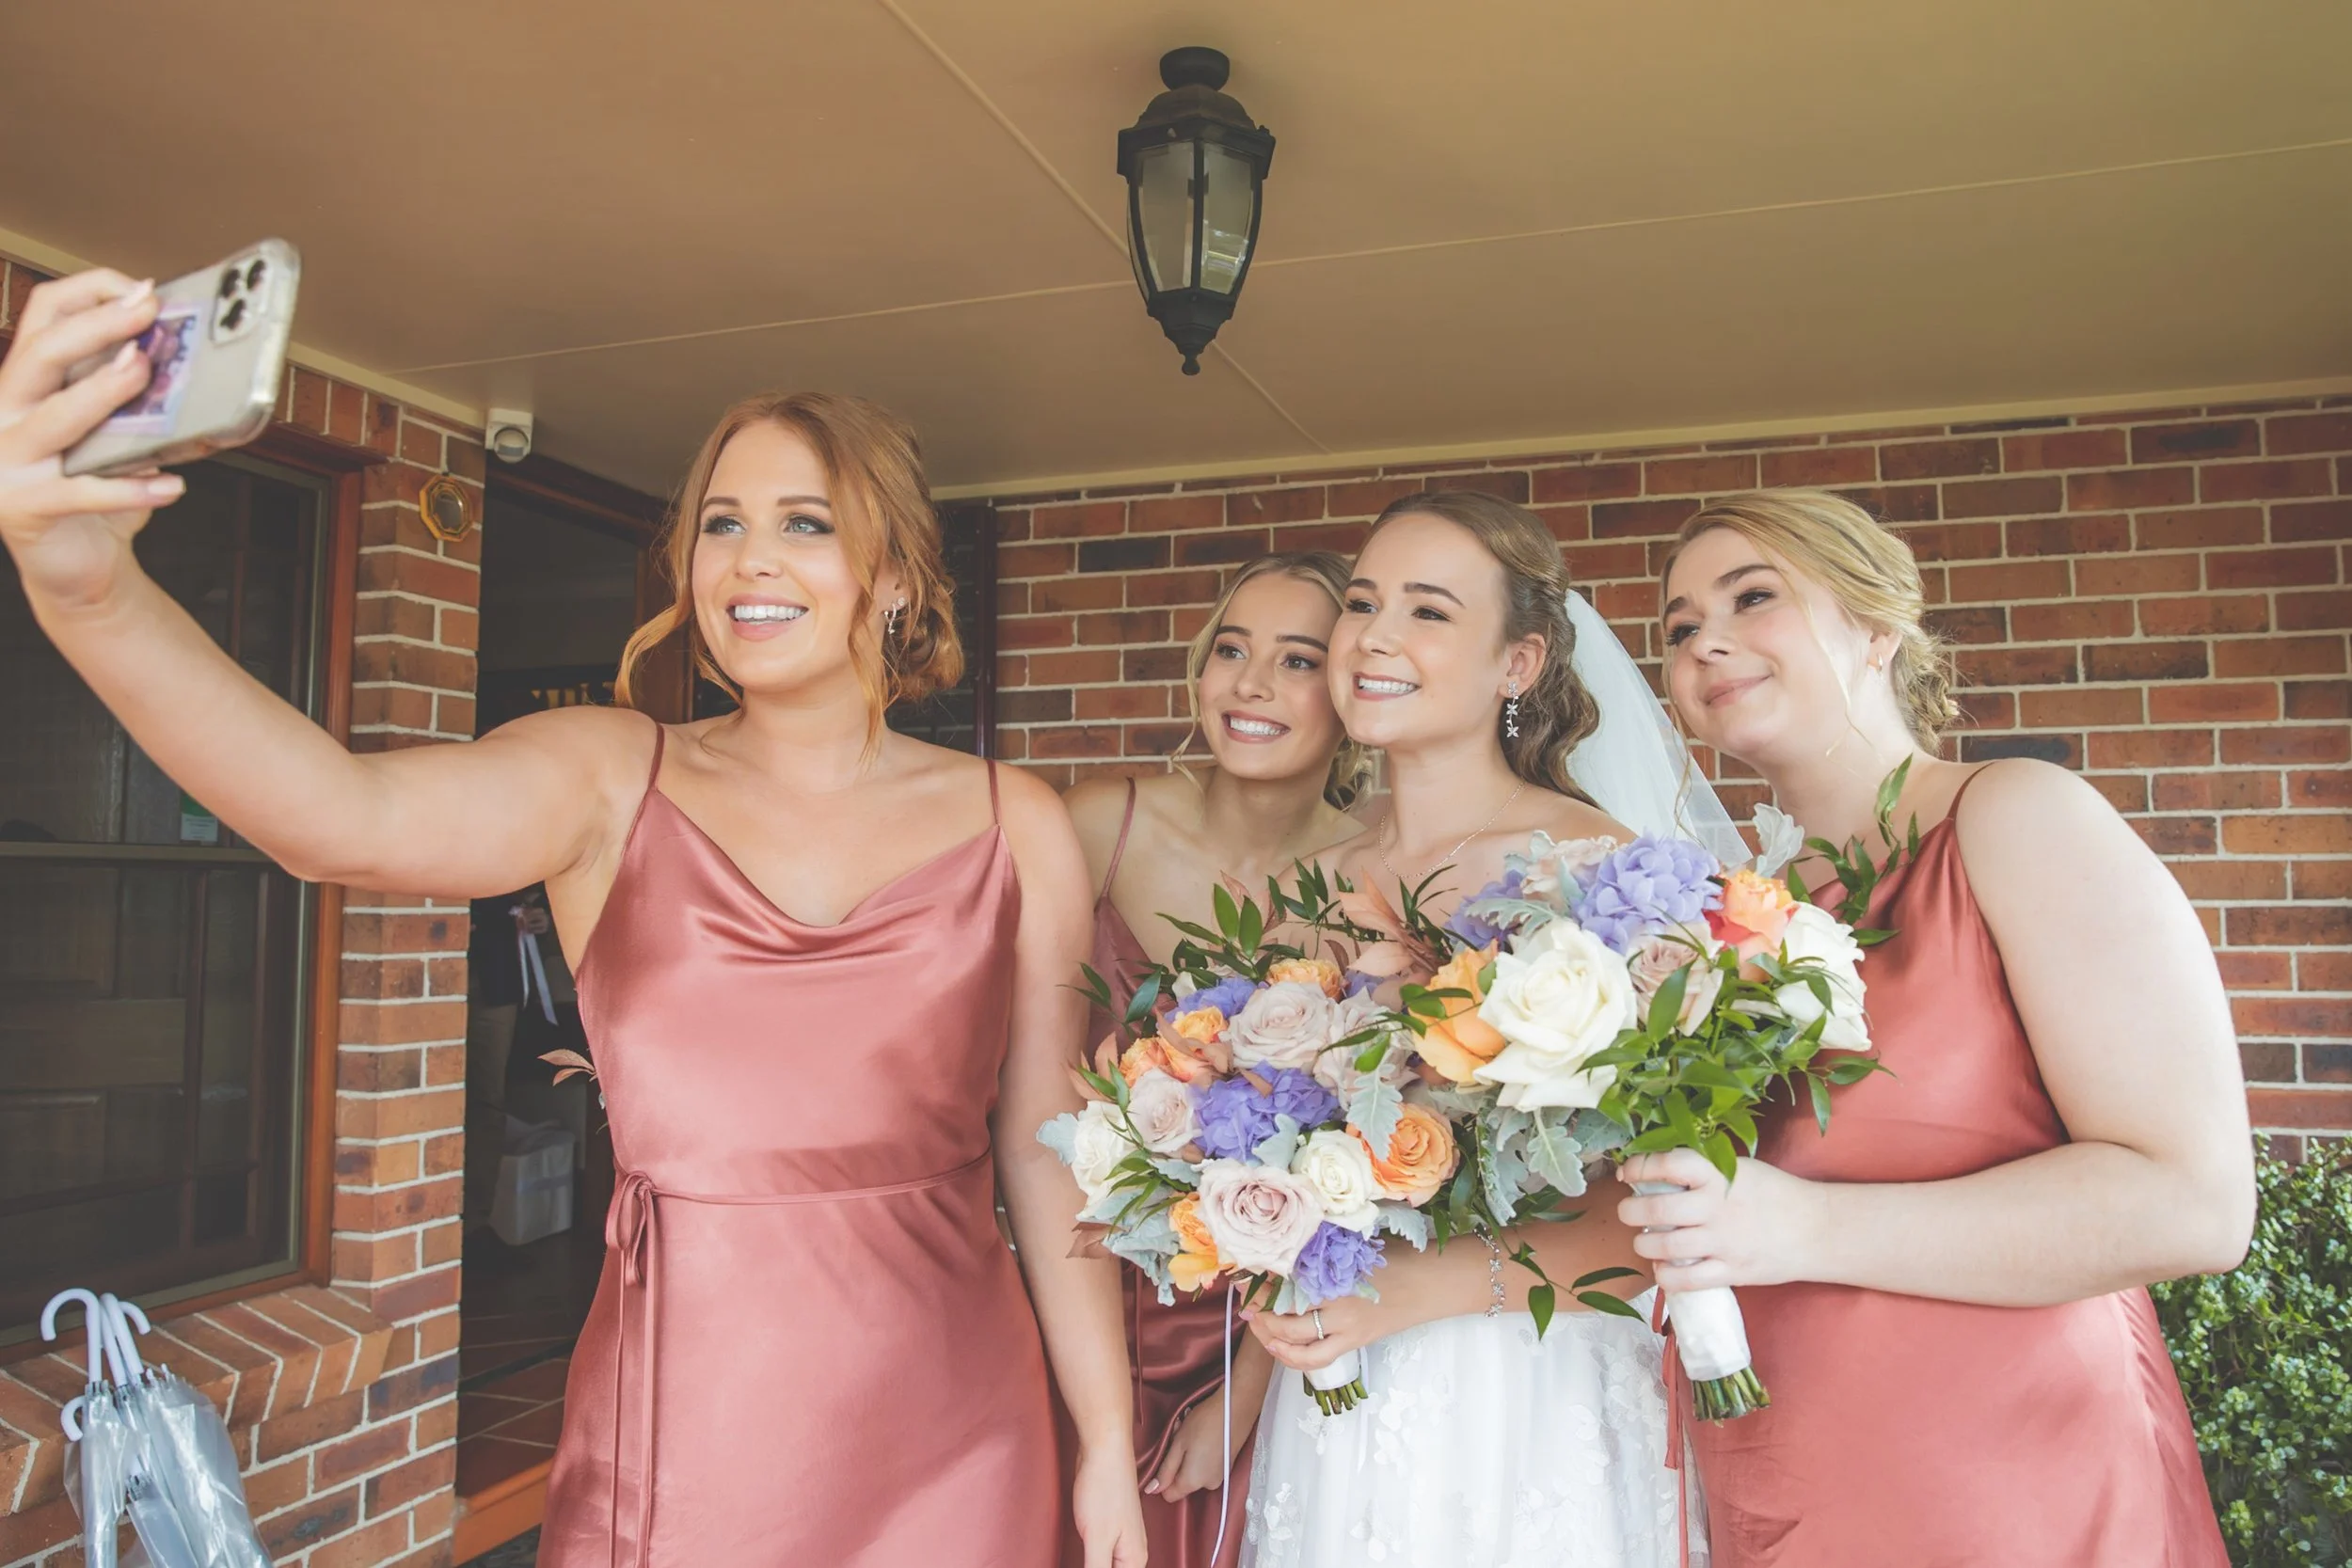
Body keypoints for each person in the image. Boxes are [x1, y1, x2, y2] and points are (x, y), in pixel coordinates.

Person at [0, 270, 1146, 1568]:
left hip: (960, 1422)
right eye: (720, 523)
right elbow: (336, 815)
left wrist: (1104, 1439)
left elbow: (1049, 1159)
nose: (749, 558)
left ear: (891, 576)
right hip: (693, 1431)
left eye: (805, 522)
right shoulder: (610, 776)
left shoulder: (1015, 824)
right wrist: (90, 592)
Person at [1620, 488, 2249, 1565]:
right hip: (1785, 1475)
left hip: (2014, 1479)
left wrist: (1803, 1228)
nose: (1703, 641)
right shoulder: (1711, 923)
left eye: (1751, 597)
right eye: (1679, 628)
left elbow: (2194, 1201)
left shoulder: (2014, 816)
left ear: (1876, 626)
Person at [1240, 492, 1699, 1567]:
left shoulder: (1598, 872)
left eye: (1428, 610)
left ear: (1517, 662)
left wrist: (1414, 1291)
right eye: (1362, 603)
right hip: (1337, 1398)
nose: (1374, 636)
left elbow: (1670, 1215)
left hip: (1529, 1394)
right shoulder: (1304, 889)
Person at [1064, 552, 1370, 1568]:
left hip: (1262, 1334)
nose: (1251, 683)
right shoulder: (1099, 825)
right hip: (1072, 1290)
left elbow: (1375, 1174)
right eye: (1232, 649)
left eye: (1297, 659)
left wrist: (1247, 1396)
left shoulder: (1373, 882)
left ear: (1351, 689)